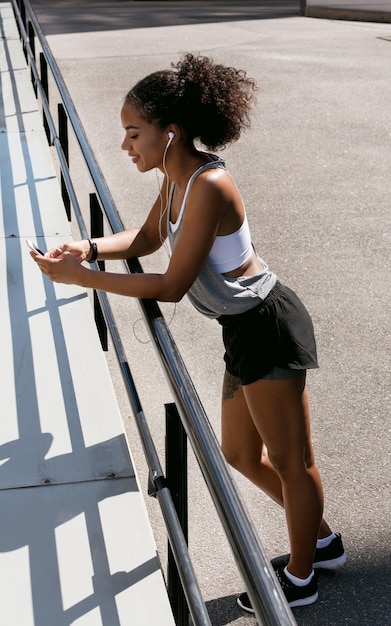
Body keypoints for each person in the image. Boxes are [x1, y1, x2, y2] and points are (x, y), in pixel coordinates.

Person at [32, 53, 346, 610]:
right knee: (240, 454)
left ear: (169, 133)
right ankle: (317, 535)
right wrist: (88, 248)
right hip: (241, 330)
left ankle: (304, 573)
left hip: (267, 327)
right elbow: (148, 238)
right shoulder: (176, 179)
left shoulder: (208, 184)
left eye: (134, 133)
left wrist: (84, 279)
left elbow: (172, 284)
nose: (126, 146)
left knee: (294, 463)